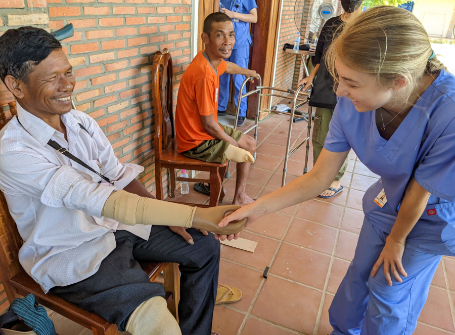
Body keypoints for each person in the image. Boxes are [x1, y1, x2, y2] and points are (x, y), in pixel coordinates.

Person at [218, 6, 455, 334]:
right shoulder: (352, 100)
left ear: (397, 81)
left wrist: (397, 240)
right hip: (387, 201)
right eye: (338, 78)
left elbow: (421, 188)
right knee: (360, 273)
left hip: (432, 217)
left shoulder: (448, 112)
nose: (339, 91)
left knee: (388, 290)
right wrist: (257, 208)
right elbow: (319, 176)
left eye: (350, 83)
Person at [0, 26, 246, 335]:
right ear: (16, 86)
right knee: (158, 324)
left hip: (116, 228)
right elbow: (96, 197)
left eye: (69, 73)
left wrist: (167, 213)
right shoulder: (12, 150)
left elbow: (116, 175)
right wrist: (194, 213)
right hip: (73, 253)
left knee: (203, 245)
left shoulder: (80, 122)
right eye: (52, 78)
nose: (67, 86)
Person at [175, 12, 258, 206]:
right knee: (243, 149)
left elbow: (226, 66)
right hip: (195, 141)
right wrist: (232, 144)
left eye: (231, 34)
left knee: (250, 143)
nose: (228, 41)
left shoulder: (210, 60)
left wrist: (248, 72)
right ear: (206, 38)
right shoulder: (203, 74)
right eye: (220, 35)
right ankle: (220, 190)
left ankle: (237, 195)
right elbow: (210, 125)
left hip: (203, 131)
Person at [298, 0, 363, 199]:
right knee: (320, 135)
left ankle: (335, 179)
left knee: (342, 136)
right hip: (326, 87)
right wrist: (311, 76)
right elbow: (319, 54)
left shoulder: (365, 26)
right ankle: (320, 175)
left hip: (349, 91)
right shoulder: (331, 23)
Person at [214, 0, 258, 127]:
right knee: (222, 75)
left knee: (239, 78)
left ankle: (241, 112)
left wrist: (233, 15)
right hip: (223, 42)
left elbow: (254, 17)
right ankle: (221, 107)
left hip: (240, 44)